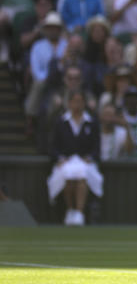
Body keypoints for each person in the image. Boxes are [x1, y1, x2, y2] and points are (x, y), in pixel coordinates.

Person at [47, 91, 103, 225]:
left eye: (80, 101)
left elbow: (97, 148)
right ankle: (70, 210)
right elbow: (53, 147)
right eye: (75, 101)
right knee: (68, 174)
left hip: (85, 162)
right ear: (69, 103)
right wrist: (60, 159)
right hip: (66, 161)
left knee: (82, 174)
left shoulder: (92, 122)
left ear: (84, 103)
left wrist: (90, 157)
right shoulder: (61, 122)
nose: (77, 104)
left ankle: (79, 212)